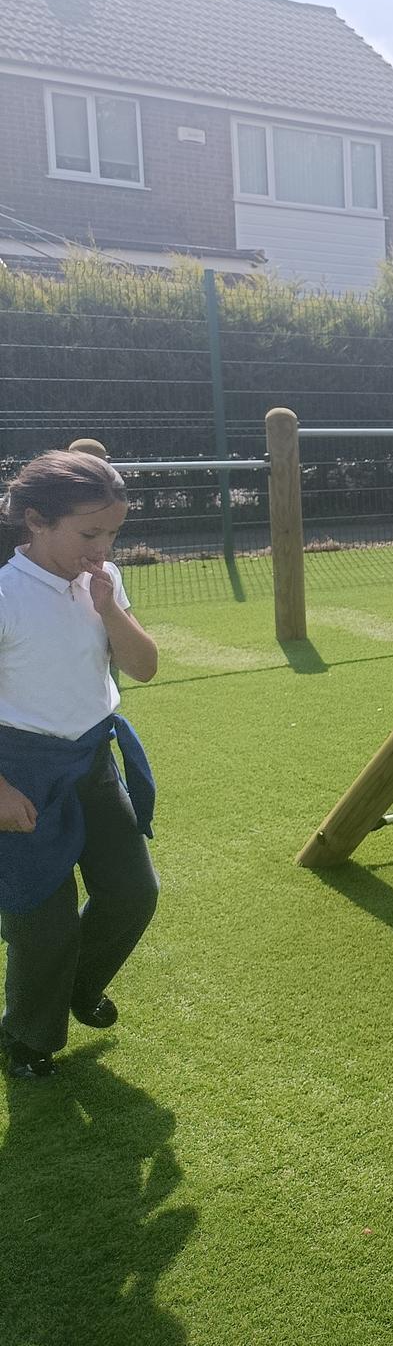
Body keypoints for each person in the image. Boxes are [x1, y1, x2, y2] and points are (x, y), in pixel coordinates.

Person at [0, 451, 160, 1081]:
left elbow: (144, 666)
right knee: (43, 917)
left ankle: (75, 985)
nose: (103, 547)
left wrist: (109, 606)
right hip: (21, 770)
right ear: (35, 521)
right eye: (89, 533)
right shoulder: (7, 593)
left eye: (113, 534)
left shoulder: (105, 580)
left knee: (132, 893)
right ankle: (28, 1040)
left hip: (92, 758)